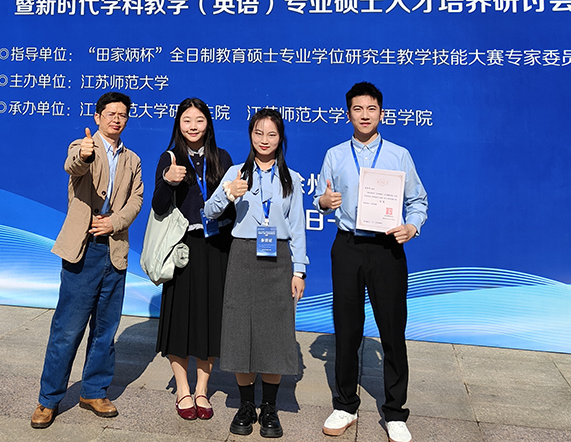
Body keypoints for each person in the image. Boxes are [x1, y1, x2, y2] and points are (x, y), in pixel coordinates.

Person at [313, 82, 428, 442]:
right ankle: (345, 405)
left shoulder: (399, 155)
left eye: (371, 108)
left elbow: (418, 201)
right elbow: (320, 197)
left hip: (386, 249)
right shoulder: (335, 155)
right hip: (347, 246)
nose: (364, 115)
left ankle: (395, 412)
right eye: (357, 109)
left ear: (382, 113)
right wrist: (324, 202)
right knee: (347, 330)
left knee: (392, 330)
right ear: (348, 113)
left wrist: (412, 226)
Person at [31, 92, 144, 429]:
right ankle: (48, 399)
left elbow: (137, 199)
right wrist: (84, 154)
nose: (116, 119)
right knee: (67, 329)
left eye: (122, 114)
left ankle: (94, 391)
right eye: (110, 113)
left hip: (115, 249)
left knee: (106, 329)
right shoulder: (83, 147)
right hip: (83, 250)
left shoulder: (132, 159)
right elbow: (73, 165)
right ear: (97, 117)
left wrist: (115, 222)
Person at [204, 108, 308, 439]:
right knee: (241, 330)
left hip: (278, 258)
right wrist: (227, 193)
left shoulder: (291, 178)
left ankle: (270, 407)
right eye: (258, 133)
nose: (264, 140)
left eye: (271, 134)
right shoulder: (236, 172)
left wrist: (300, 270)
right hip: (243, 255)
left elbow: (297, 227)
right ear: (250, 135)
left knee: (275, 333)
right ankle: (246, 405)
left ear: (281, 138)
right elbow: (208, 211)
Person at [152, 98, 234, 421]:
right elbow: (159, 207)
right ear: (178, 124)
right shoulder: (170, 158)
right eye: (187, 120)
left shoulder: (222, 158)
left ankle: (202, 389)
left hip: (215, 248)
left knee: (210, 319)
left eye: (199, 120)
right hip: (181, 247)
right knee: (179, 319)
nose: (193, 126)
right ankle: (183, 389)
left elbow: (230, 210)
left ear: (208, 123)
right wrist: (168, 181)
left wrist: (233, 196)